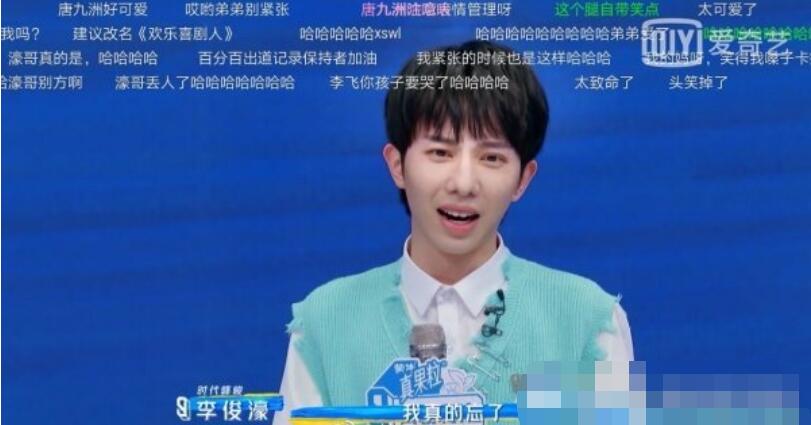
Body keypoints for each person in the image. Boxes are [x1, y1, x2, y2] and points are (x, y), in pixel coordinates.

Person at [272, 40, 633, 424]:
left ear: (522, 179)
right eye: (440, 153)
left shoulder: (586, 321)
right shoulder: (325, 323)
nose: (463, 183)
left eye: (491, 157)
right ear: (397, 165)